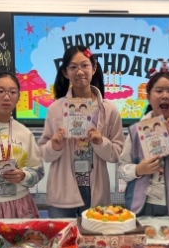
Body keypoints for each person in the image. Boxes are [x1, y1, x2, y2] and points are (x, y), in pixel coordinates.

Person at [39, 46, 124, 218]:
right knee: (62, 235)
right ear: (65, 72)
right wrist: (54, 146)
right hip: (63, 191)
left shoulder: (109, 110)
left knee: (94, 234)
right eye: (73, 67)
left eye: (85, 65)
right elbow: (44, 154)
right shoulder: (56, 109)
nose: (79, 72)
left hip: (96, 191)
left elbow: (117, 154)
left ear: (94, 68)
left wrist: (101, 142)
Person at [119, 71, 169, 218]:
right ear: (148, 95)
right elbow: (121, 170)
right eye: (159, 91)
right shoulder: (136, 131)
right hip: (140, 208)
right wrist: (138, 170)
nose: (165, 95)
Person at [0, 72, 44, 219]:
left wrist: (23, 175)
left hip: (21, 205)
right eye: (0, 91)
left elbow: (38, 171)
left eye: (12, 92)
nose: (6, 97)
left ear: (18, 97)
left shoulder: (25, 133)